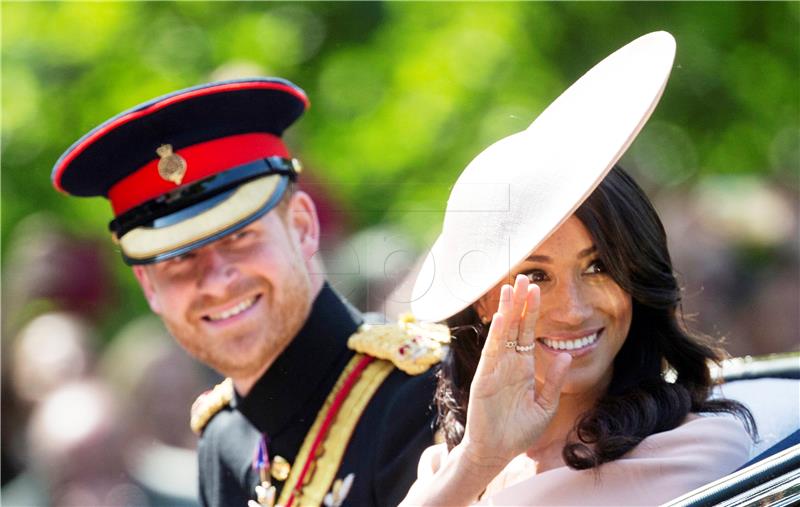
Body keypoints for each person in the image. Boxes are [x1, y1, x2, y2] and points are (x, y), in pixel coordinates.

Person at [51, 78, 446, 507]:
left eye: (239, 238)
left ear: (302, 226)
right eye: (178, 260)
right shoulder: (224, 438)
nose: (216, 279)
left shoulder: (424, 392)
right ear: (149, 288)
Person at [401, 32, 756, 506]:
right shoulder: (448, 468)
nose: (572, 310)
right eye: (536, 277)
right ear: (483, 300)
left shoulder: (691, 451)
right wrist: (478, 462)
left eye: (599, 267)